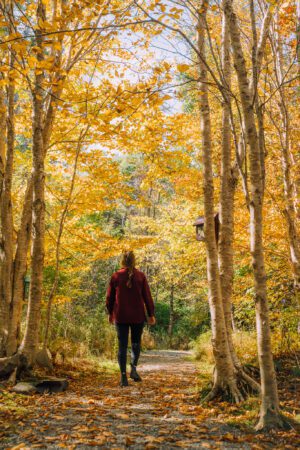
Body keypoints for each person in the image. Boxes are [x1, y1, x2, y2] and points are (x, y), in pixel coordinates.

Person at [106, 251, 156, 387]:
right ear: (134, 260)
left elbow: (109, 297)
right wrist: (151, 314)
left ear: (122, 260)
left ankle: (123, 377)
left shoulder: (116, 276)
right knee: (136, 343)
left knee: (122, 346)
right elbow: (147, 296)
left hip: (120, 315)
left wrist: (110, 313)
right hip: (137, 315)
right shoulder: (140, 276)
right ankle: (133, 369)